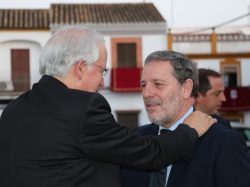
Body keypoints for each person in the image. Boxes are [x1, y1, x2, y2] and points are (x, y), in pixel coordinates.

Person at [0, 27, 215, 187]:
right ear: (81, 68)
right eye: (102, 71)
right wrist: (190, 130)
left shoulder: (13, 110)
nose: (103, 82)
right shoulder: (83, 109)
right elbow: (151, 154)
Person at [121, 50, 250, 187]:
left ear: (186, 88)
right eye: (143, 85)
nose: (146, 93)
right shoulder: (137, 138)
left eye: (158, 84)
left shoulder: (224, 143)